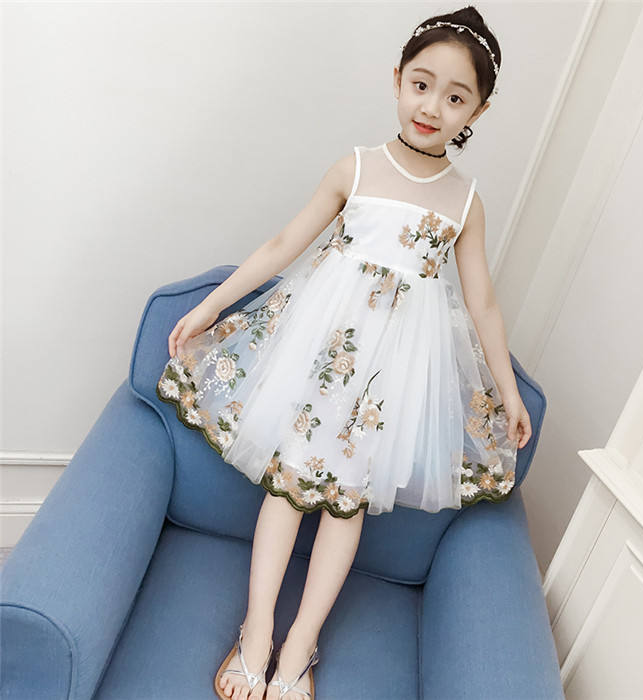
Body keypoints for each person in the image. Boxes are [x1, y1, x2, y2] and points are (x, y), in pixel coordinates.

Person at [156, 5, 532, 699]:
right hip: (320, 361)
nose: (433, 107)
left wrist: (507, 391)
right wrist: (211, 306)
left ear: (479, 109)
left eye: (456, 98)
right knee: (285, 489)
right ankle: (257, 633)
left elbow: (482, 302)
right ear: (397, 80)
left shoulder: (466, 201)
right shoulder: (354, 168)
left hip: (391, 380)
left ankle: (300, 648)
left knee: (345, 506)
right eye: (422, 85)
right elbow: (282, 246)